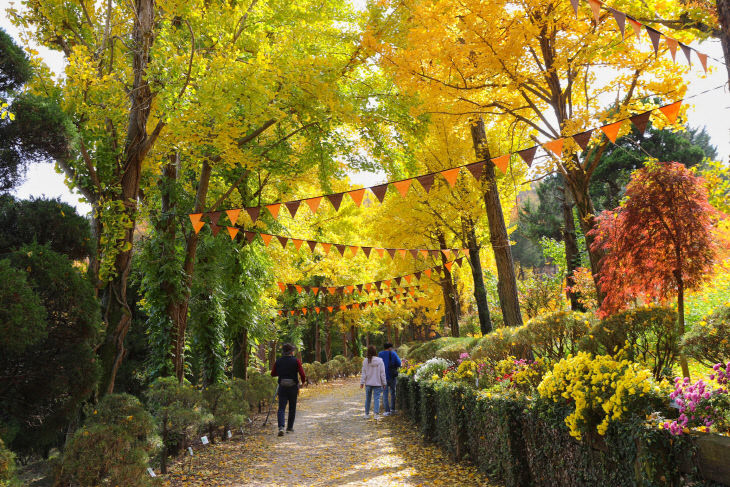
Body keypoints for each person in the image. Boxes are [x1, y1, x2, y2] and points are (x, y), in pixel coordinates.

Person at [271, 343, 307, 436]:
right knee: (292, 407)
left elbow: (273, 373)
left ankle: (281, 427)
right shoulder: (296, 361)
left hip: (282, 386)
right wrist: (303, 382)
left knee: (281, 408)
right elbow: (302, 373)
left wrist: (282, 372)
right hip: (293, 387)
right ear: (291, 352)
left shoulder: (278, 361)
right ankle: (290, 427)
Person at [360, 345, 387, 419]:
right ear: (375, 352)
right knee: (377, 399)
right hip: (377, 383)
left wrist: (362, 382)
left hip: (368, 383)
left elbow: (364, 373)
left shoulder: (365, 361)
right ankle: (376, 414)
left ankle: (366, 414)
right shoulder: (380, 360)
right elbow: (382, 373)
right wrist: (384, 383)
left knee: (368, 399)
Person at [378, 343, 401, 415]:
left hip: (383, 376)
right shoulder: (393, 354)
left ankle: (387, 411)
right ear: (390, 348)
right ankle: (393, 409)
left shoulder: (380, 354)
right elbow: (399, 363)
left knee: (385, 393)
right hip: (392, 376)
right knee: (393, 392)